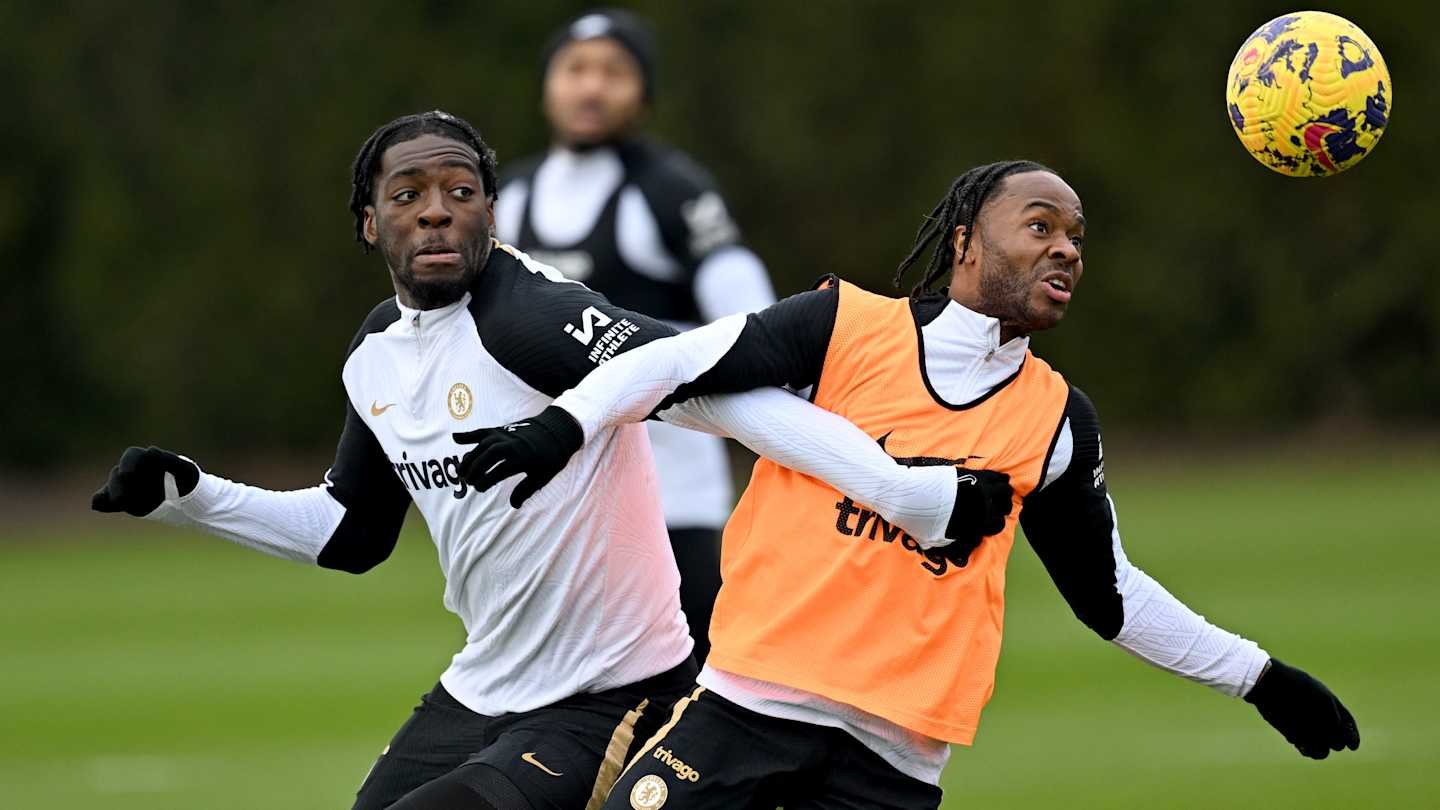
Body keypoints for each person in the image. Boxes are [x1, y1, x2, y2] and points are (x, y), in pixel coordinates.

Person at [87, 111, 991, 810]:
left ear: (491, 208)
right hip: (481, 688)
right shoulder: (377, 354)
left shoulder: (529, 317)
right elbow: (350, 533)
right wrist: (190, 496)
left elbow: (717, 390)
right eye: (407, 195)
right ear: (368, 223)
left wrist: (901, 490)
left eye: (461, 190)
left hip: (615, 693)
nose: (436, 209)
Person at [472, 161, 1361, 809]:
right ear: (968, 239)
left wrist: (1261, 679)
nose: (1065, 249)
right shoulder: (844, 327)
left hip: (892, 765)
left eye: (1077, 237)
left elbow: (1111, 598)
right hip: (743, 715)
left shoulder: (1056, 419)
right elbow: (679, 361)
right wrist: (564, 425)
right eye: (1041, 225)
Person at [494, 8, 776, 665]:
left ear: (643, 92)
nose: (592, 88)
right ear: (548, 86)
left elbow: (753, 318)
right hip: (551, 511)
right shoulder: (509, 198)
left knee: (699, 704)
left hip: (672, 509)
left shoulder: (672, 192)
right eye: (576, 69)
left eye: (614, 72)